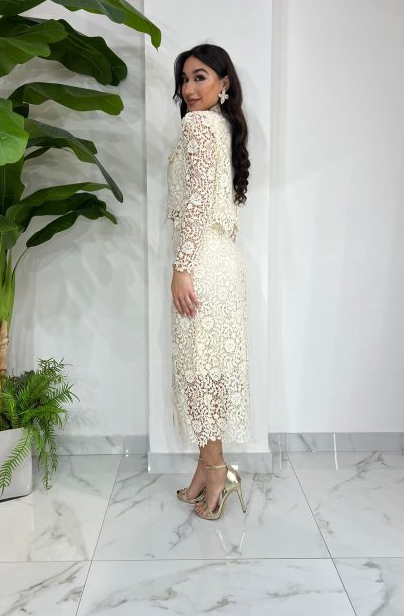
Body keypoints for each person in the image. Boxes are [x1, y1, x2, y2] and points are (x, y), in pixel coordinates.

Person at [166, 43, 251, 520]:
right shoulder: (222, 127)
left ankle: (217, 472)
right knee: (207, 369)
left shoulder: (198, 126)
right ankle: (205, 468)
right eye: (185, 79)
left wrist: (182, 267)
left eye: (200, 77)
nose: (189, 88)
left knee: (200, 372)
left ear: (224, 84)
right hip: (223, 261)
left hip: (201, 263)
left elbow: (197, 203)